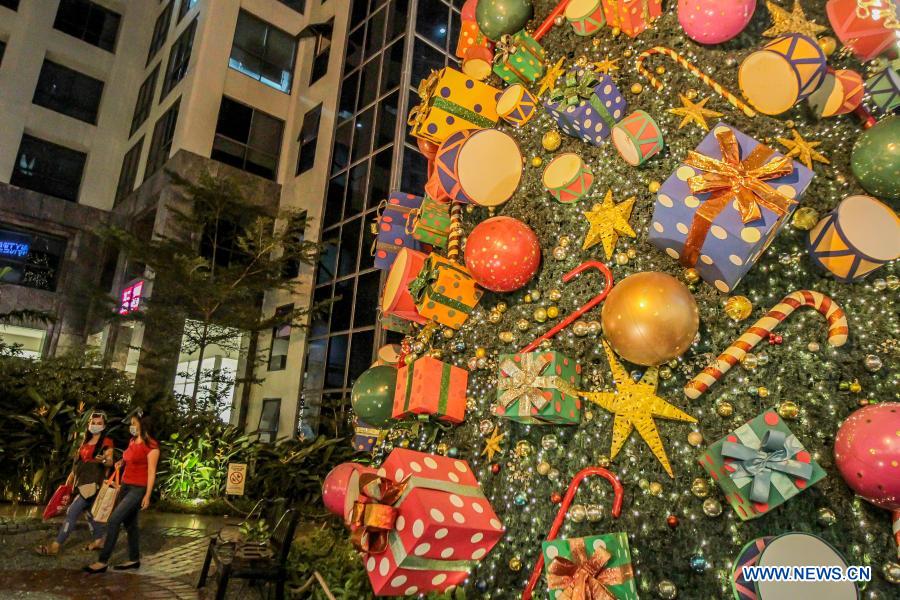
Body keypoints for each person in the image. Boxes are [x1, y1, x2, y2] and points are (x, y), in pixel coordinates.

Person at [83, 411, 159, 573]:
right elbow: (129, 456)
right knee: (130, 524)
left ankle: (102, 561)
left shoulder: (152, 446)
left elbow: (152, 472)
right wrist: (121, 461)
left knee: (114, 520)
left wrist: (147, 495)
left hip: (138, 489)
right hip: (125, 485)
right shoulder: (133, 441)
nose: (131, 427)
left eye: (133, 423)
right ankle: (134, 559)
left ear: (142, 424)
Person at [36, 411, 114, 556]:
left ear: (104, 426)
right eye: (93, 422)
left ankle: (55, 545)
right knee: (88, 512)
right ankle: (98, 540)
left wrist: (103, 460)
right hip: (80, 483)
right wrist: (68, 484)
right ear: (89, 424)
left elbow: (110, 461)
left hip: (92, 484)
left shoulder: (106, 443)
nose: (95, 426)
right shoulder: (84, 442)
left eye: (99, 423)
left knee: (72, 511)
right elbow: (76, 466)